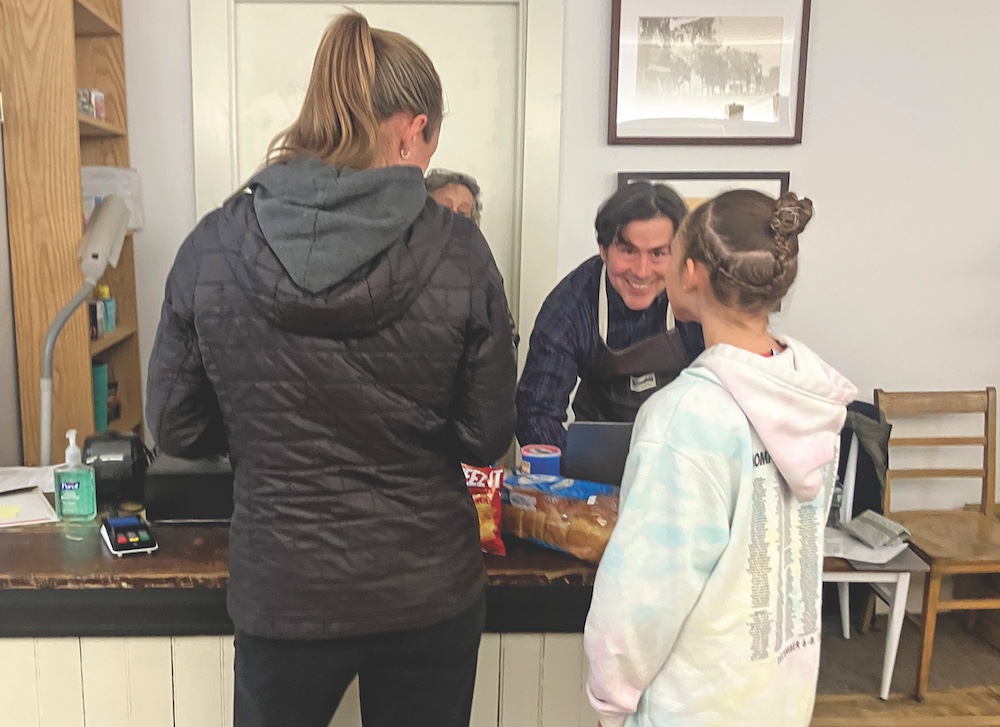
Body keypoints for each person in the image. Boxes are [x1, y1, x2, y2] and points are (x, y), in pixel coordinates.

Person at [145, 12, 516, 727]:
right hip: (425, 590)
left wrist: (260, 428)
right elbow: (486, 434)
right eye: (432, 141)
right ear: (411, 130)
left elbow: (177, 429)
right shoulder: (460, 253)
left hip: (285, 589)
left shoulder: (214, 244)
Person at [584, 190, 857, 727]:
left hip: (694, 705)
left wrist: (609, 697)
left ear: (691, 273)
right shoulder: (812, 396)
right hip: (779, 697)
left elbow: (644, 595)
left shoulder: (684, 417)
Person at [516, 181, 705, 449]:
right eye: (628, 251)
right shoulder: (571, 304)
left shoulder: (701, 300)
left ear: (679, 255)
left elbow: (734, 394)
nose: (641, 271)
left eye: (658, 254)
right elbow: (536, 413)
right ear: (603, 250)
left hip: (685, 452)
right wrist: (572, 467)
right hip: (597, 454)